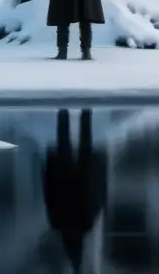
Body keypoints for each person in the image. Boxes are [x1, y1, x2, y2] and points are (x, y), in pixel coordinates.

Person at [42, 109, 108, 272]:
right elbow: (49, 193)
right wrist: (48, 167)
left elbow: (97, 196)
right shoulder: (58, 223)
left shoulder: (86, 224)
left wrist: (99, 169)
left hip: (82, 175)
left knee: (84, 141)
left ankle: (85, 112)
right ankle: (63, 112)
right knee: (63, 141)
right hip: (63, 175)